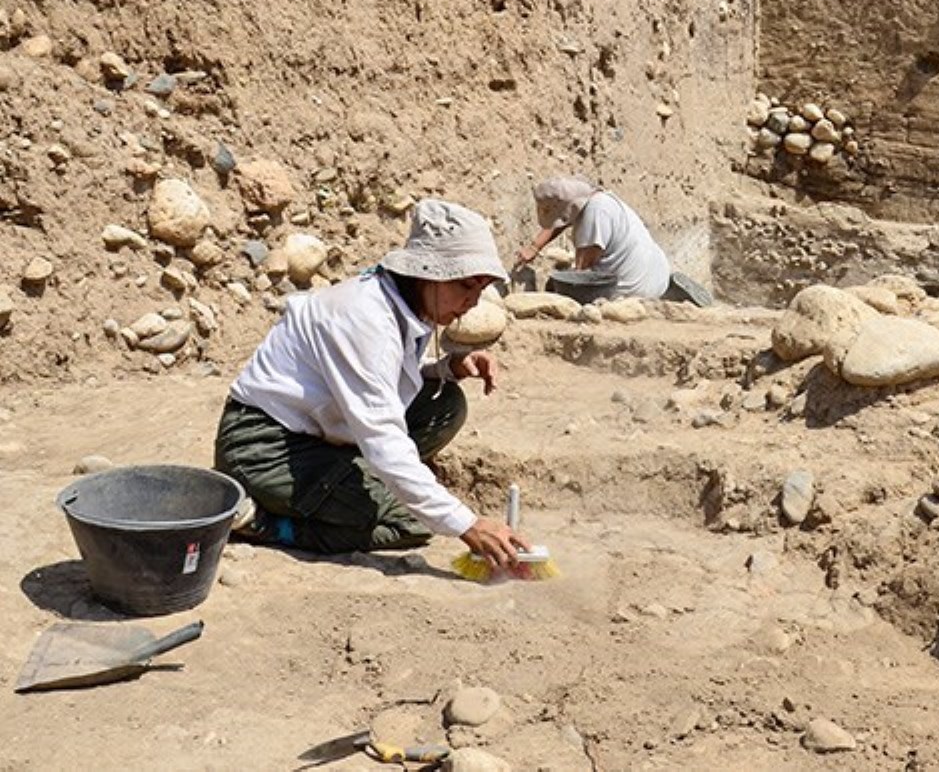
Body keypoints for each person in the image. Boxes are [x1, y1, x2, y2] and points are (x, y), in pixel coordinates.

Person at [213, 199, 531, 570]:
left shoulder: (405, 303)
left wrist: (447, 368)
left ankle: (353, 484)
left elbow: (378, 375)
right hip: (263, 448)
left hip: (318, 433)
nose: (472, 303)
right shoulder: (365, 319)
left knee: (445, 405)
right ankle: (263, 522)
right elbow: (383, 435)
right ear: (429, 273)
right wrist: (469, 525)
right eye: (466, 286)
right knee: (410, 521)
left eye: (482, 289)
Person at [515, 175, 712, 306]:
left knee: (563, 285)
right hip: (659, 273)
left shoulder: (595, 215)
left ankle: (661, 300)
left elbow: (582, 273)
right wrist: (534, 247)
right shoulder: (597, 199)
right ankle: (670, 294)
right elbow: (563, 220)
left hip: (633, 290)